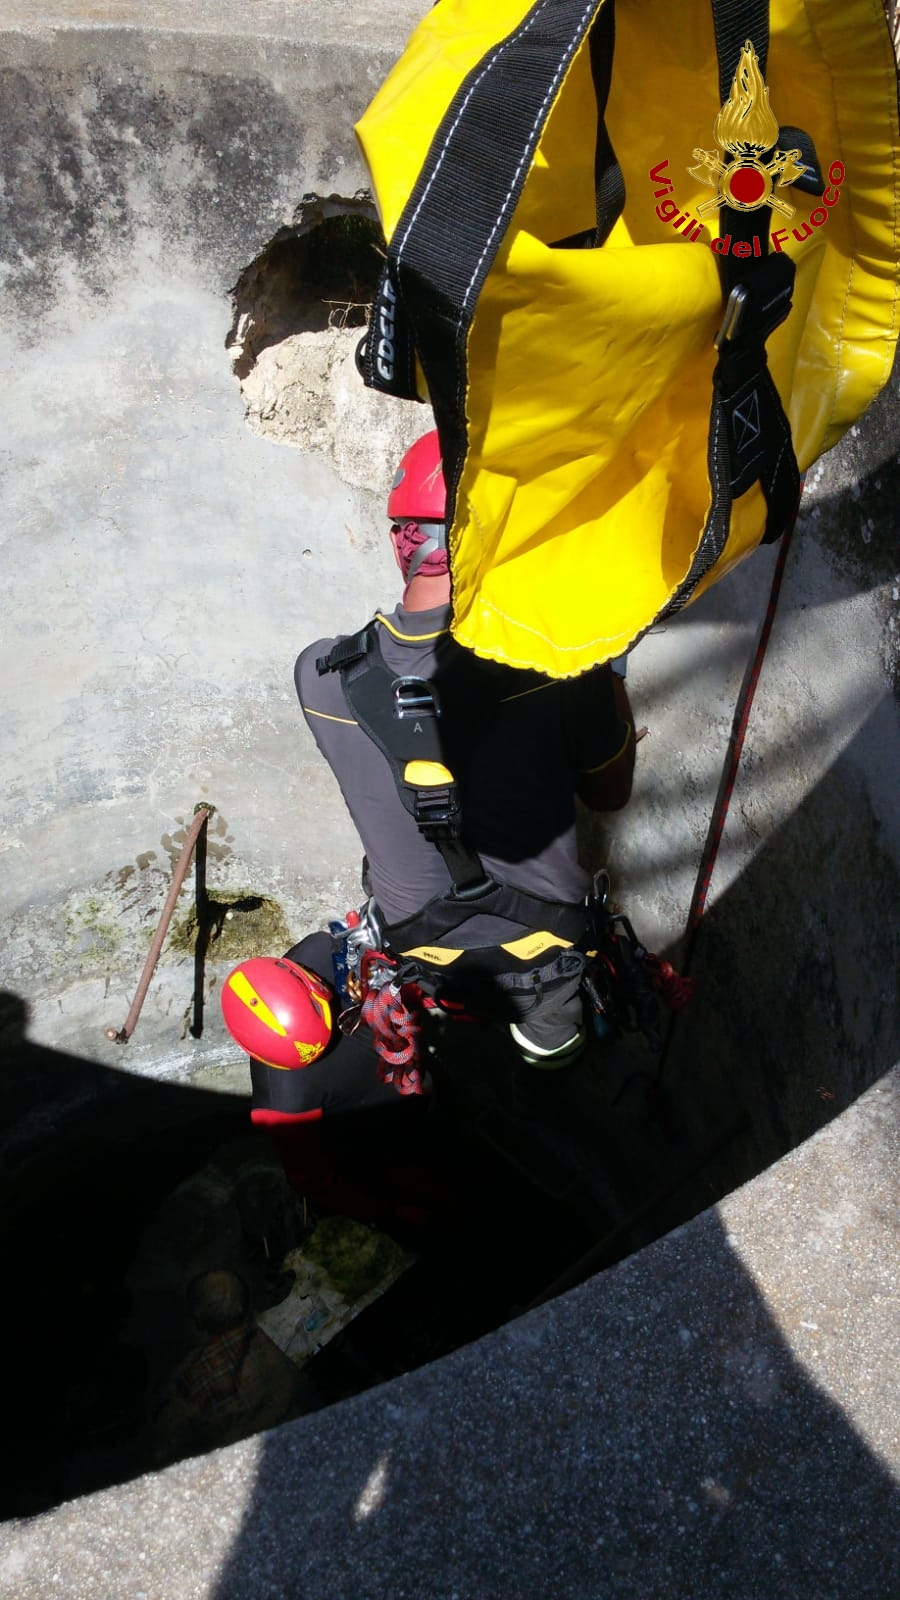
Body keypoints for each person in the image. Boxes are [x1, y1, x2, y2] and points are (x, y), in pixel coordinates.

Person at [293, 429, 637, 1074]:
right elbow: (609, 794)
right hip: (547, 948)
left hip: (419, 950)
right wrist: (606, 670)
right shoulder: (558, 665)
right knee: (551, 1045)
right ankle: (547, 1057)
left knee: (457, 1000)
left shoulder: (319, 673)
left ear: (403, 541)